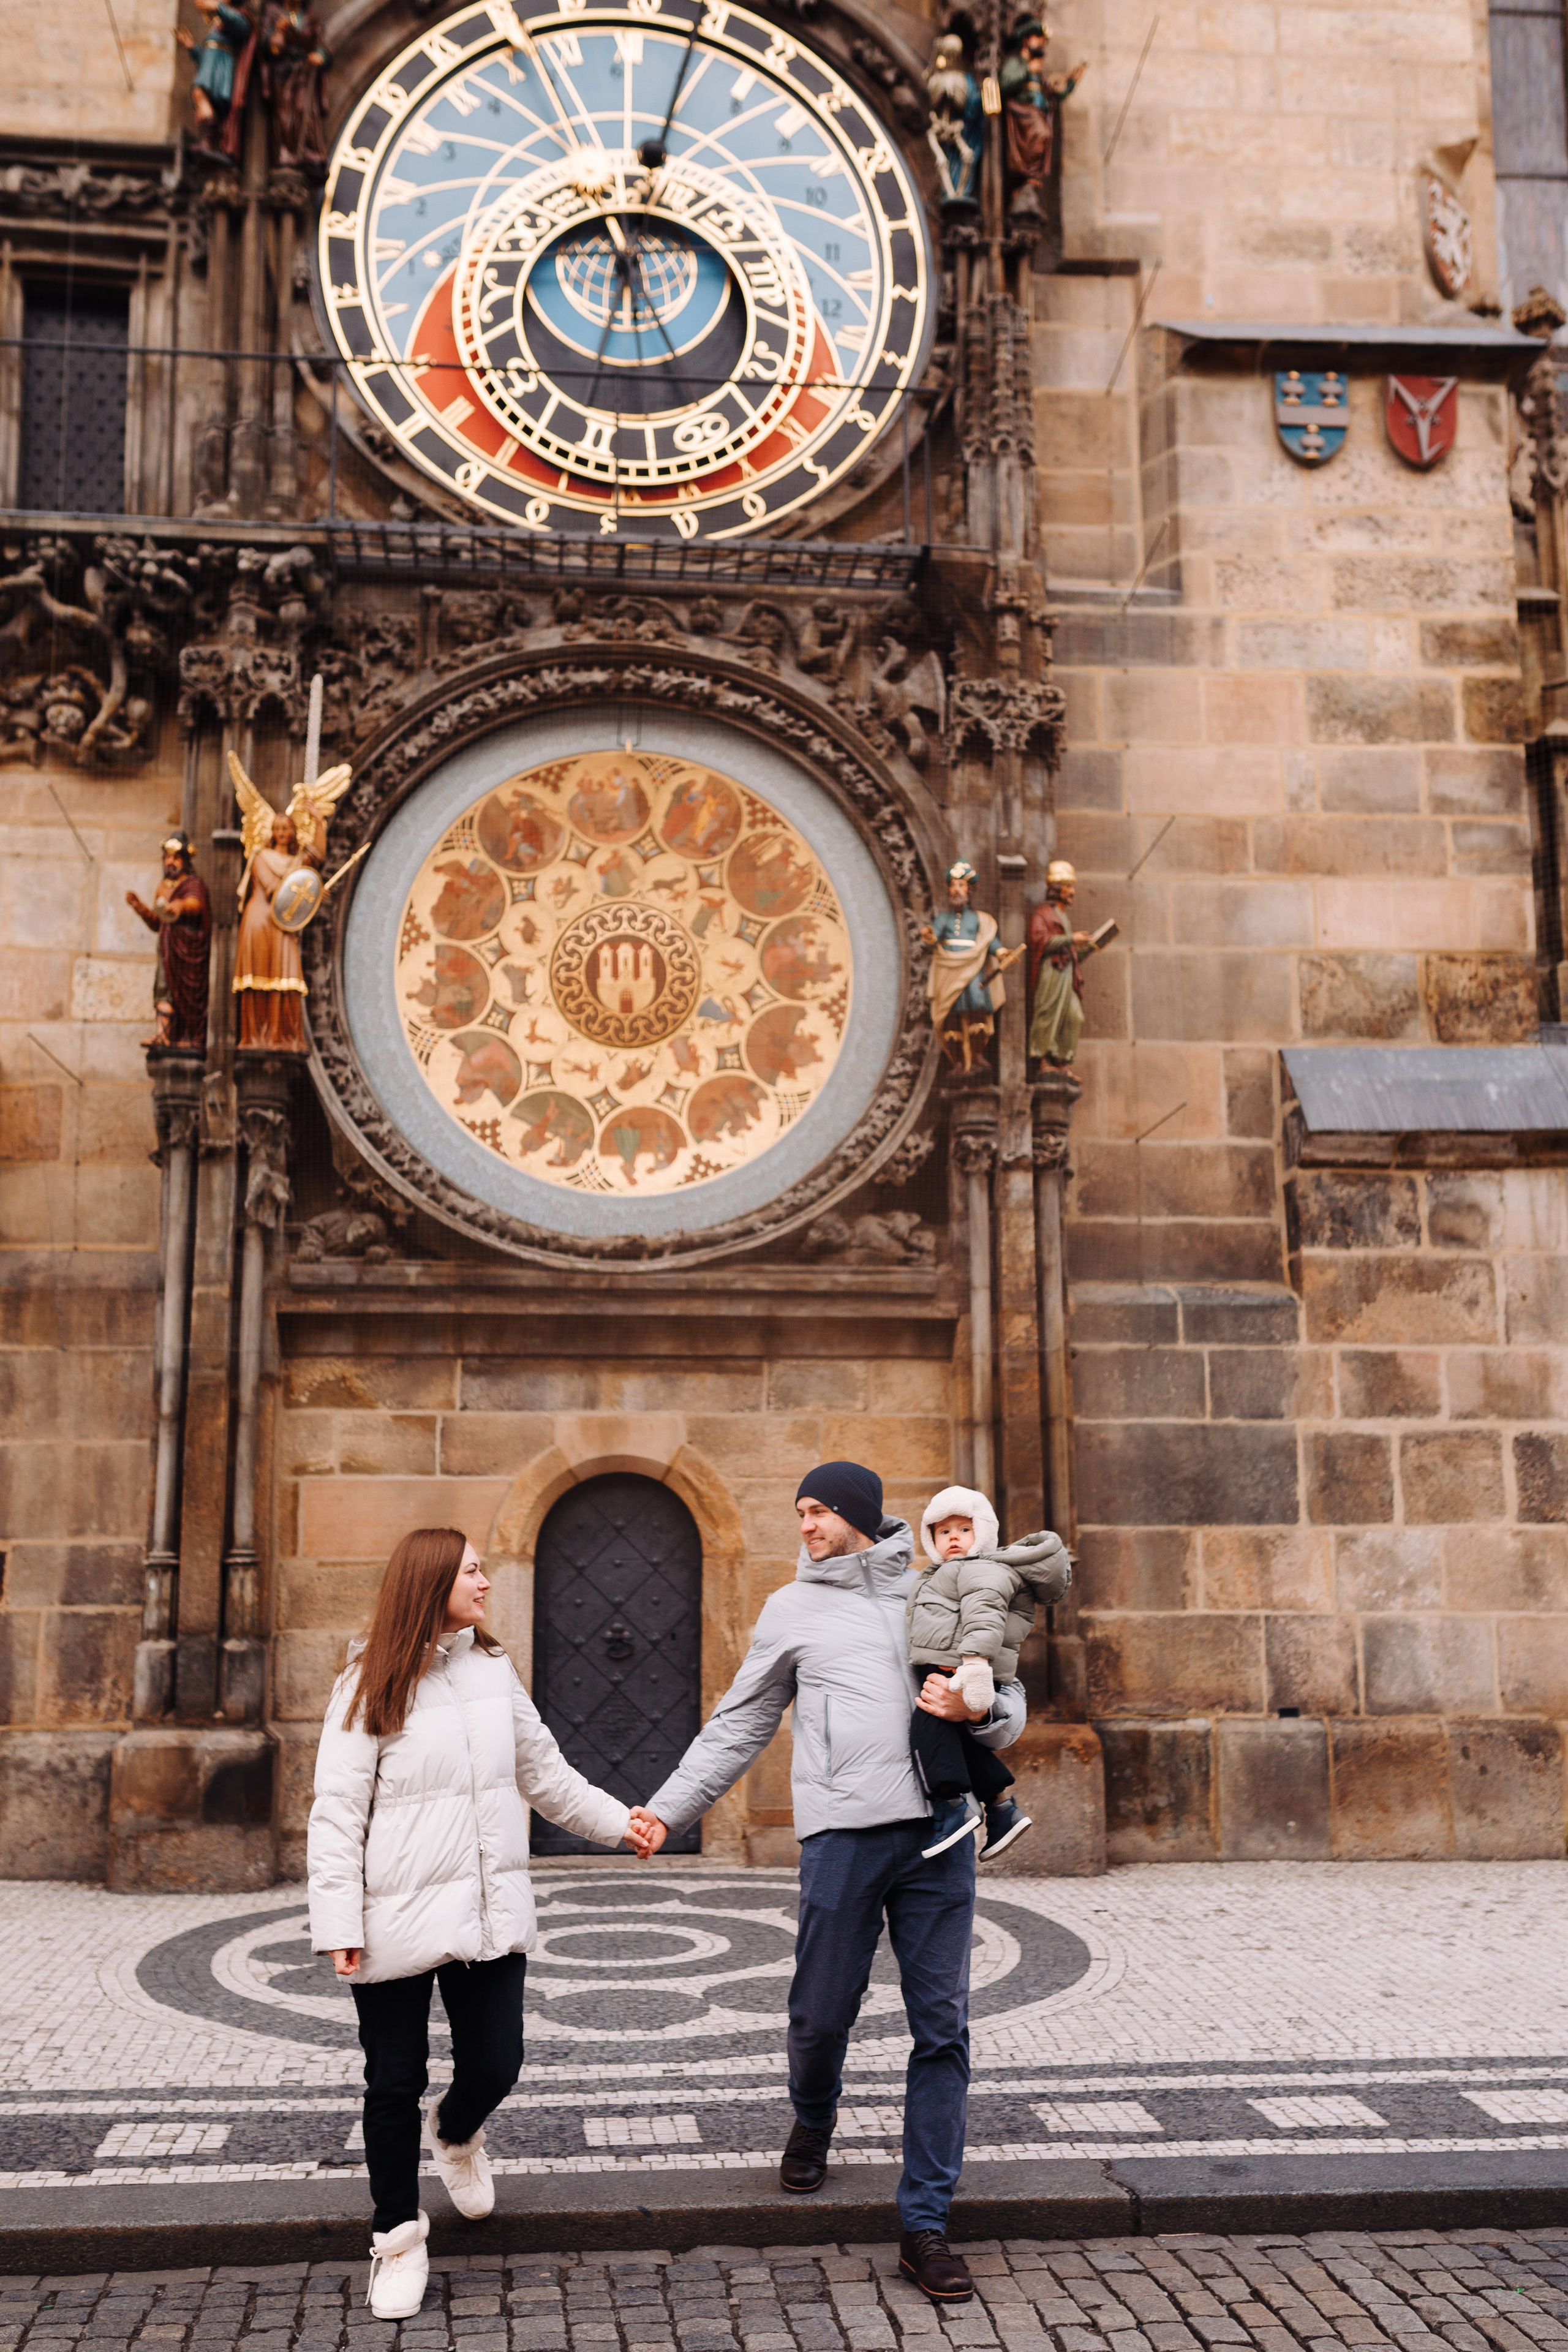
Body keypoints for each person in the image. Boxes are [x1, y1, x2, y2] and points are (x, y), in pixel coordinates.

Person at [628, 1460, 1026, 2307]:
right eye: (800, 1510)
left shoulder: (940, 1587)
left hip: (940, 1834)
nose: (805, 1525)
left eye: (817, 1511)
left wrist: (979, 1714)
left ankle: (925, 2224)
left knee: (943, 2028)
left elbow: (1011, 1698)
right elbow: (740, 1722)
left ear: (857, 1516)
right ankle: (814, 2116)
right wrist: (669, 1810)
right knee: (819, 2011)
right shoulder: (791, 1610)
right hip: (844, 1839)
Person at [308, 1528, 655, 2320]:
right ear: (432, 1582)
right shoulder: (368, 1682)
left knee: (497, 2064)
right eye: (472, 1570)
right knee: (392, 2082)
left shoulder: (493, 1672)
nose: (486, 1581)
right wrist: (337, 1919)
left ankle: (458, 2134)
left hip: (486, 1909)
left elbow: (546, 1774)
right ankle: (397, 2237)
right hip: (389, 1914)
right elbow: (335, 1815)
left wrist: (619, 1823)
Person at [908, 1486, 1071, 1861]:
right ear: (931, 1537)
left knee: (926, 1730)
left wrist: (976, 1665)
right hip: (957, 1663)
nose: (953, 1537)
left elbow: (986, 1617)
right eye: (943, 1531)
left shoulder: (979, 1570)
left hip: (963, 1666)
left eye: (964, 1530)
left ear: (982, 1533)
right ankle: (1002, 1810)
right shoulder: (950, 1572)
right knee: (958, 1741)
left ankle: (952, 1809)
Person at [126, 833, 212, 1050]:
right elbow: (157, 923)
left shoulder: (193, 884)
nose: (170, 862)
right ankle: (162, 1035)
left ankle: (189, 1036)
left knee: (187, 993)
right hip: (167, 948)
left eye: (176, 858)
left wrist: (182, 905)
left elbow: (197, 905)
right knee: (164, 988)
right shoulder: (164, 886)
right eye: (167, 857)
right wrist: (140, 908)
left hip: (187, 950)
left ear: (185, 860)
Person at [1027, 859, 1090, 1066]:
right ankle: (1043, 1060)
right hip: (1052, 972)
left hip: (1066, 973)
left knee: (1074, 1017)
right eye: (1068, 887)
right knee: (1048, 1013)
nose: (1072, 892)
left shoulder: (1063, 916)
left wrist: (1090, 947)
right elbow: (1039, 941)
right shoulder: (1042, 914)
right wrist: (1072, 939)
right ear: (1057, 889)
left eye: (1072, 887)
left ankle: (1062, 1062)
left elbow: (1071, 953)